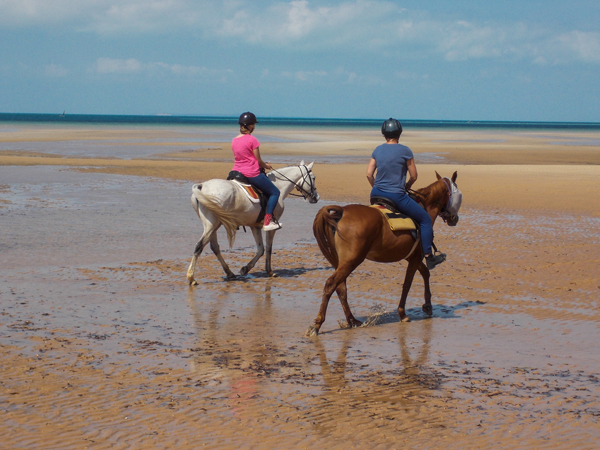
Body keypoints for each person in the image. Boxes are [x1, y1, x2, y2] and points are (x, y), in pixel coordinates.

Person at [366, 118, 445, 270]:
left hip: (375, 194)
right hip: (396, 196)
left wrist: (377, 187)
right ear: (399, 134)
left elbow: (369, 174)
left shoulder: (377, 150)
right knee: (425, 219)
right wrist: (406, 186)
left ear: (384, 134)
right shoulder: (405, 151)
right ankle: (429, 257)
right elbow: (414, 176)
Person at [231, 111, 282, 231]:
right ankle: (267, 222)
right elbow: (258, 160)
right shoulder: (252, 140)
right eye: (253, 125)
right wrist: (267, 166)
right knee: (275, 192)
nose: (254, 127)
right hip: (251, 173)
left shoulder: (234, 140)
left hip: (236, 172)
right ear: (249, 126)